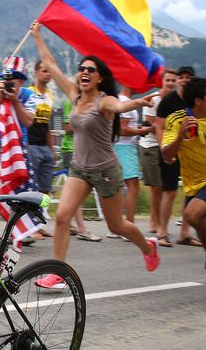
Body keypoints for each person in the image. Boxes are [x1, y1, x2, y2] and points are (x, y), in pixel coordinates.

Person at [30, 21, 159, 289]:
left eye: (91, 69)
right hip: (79, 168)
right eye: (82, 69)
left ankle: (148, 246)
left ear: (100, 78)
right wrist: (37, 35)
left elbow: (122, 105)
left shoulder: (105, 102)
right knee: (63, 216)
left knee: (116, 226)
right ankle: (59, 273)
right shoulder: (75, 95)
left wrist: (140, 102)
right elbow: (51, 64)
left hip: (106, 171)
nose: (85, 72)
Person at [161, 77, 206, 291]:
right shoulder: (177, 120)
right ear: (198, 101)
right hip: (194, 182)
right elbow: (166, 155)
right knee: (202, 226)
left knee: (191, 215)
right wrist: (180, 137)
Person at [0, 55, 35, 248]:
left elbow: (29, 121)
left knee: (20, 190)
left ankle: (16, 230)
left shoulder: (29, 96)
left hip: (19, 146)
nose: (9, 82)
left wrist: (15, 101)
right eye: (7, 78)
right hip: (1, 144)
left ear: (21, 80)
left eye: (13, 77)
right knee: (0, 187)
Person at [155, 66, 201, 247]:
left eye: (187, 77)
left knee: (191, 191)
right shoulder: (168, 101)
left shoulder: (195, 102)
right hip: (171, 150)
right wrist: (163, 148)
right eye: (181, 77)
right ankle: (162, 232)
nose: (183, 80)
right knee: (170, 191)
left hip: (191, 152)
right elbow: (159, 126)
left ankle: (184, 234)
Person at [109, 85, 153, 234]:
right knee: (133, 187)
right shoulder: (123, 101)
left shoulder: (122, 101)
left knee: (121, 188)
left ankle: (118, 225)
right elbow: (122, 130)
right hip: (125, 148)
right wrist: (142, 131)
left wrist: (138, 129)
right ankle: (128, 226)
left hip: (122, 147)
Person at [141, 68, 177, 244]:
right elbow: (151, 122)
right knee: (156, 186)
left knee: (163, 186)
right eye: (167, 80)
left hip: (166, 146)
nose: (170, 83)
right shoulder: (155, 100)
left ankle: (157, 220)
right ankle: (154, 220)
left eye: (173, 80)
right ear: (162, 82)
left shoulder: (175, 101)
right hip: (151, 145)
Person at [61, 96, 102, 242]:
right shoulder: (70, 102)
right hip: (71, 149)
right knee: (76, 192)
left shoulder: (90, 102)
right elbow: (66, 128)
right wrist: (87, 125)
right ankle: (82, 229)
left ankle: (70, 224)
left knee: (76, 191)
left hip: (84, 150)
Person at [27, 60, 55, 239]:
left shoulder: (50, 97)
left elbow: (48, 126)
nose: (48, 74)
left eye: (49, 72)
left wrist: (52, 150)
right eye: (44, 71)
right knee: (32, 188)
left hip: (44, 147)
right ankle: (30, 227)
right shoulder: (29, 93)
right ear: (36, 72)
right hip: (30, 145)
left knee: (45, 189)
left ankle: (38, 223)